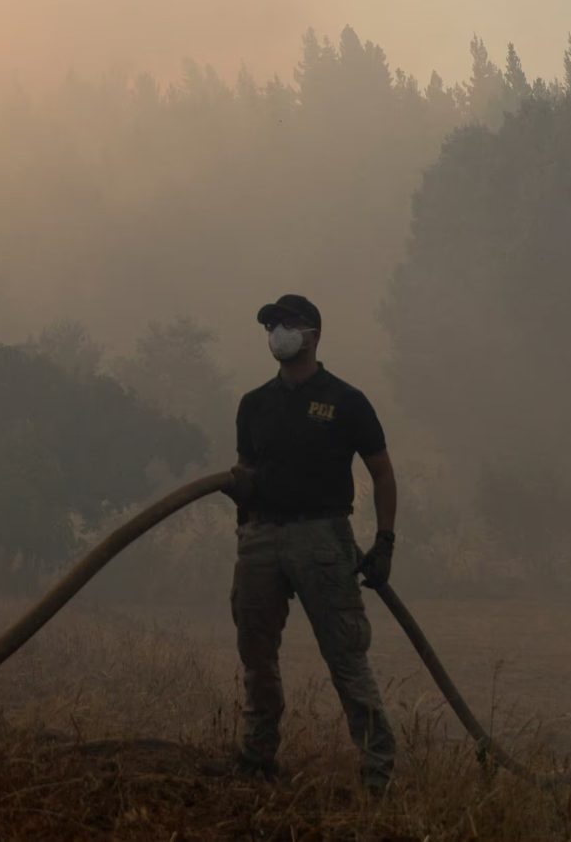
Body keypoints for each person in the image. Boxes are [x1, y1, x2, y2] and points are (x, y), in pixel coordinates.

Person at [225, 293, 398, 794]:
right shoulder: (254, 404)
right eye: (271, 325)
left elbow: (382, 473)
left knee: (345, 656)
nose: (277, 332)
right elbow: (245, 471)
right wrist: (244, 521)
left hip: (322, 538)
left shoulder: (346, 401)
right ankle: (257, 758)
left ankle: (378, 775)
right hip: (260, 537)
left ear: (313, 334)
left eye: (287, 323)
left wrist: (384, 542)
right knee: (256, 652)